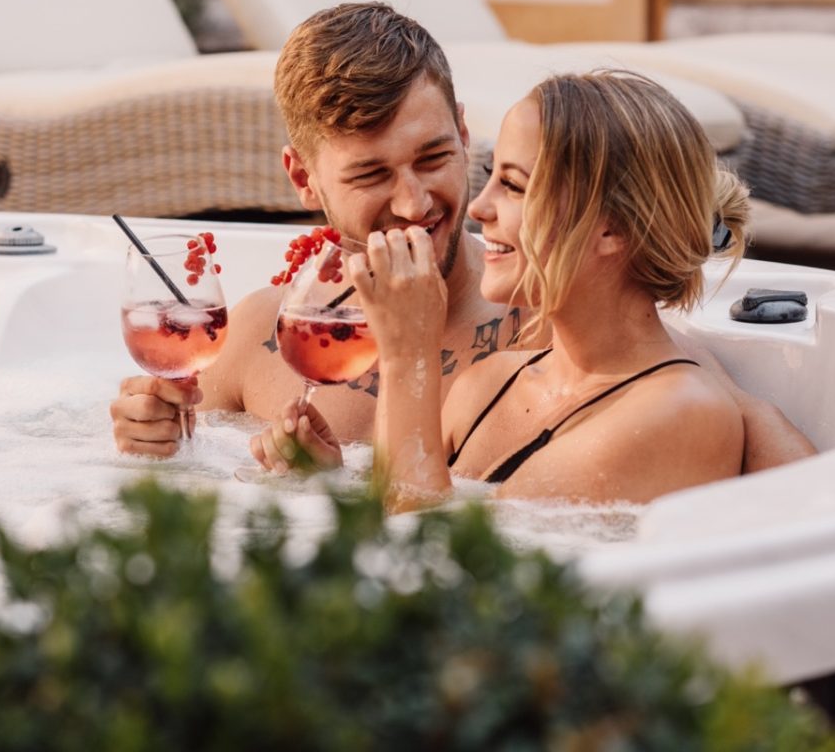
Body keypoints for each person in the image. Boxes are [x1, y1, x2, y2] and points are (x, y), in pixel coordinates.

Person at [109, 2, 813, 475]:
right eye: (373, 173)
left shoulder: (558, 322)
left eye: (434, 158)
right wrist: (161, 442)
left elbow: (774, 467)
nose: (417, 203)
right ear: (303, 179)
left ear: (464, 133)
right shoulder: (265, 335)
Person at [325, 70, 765, 510]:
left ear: (611, 227)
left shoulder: (682, 413)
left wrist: (408, 357)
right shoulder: (484, 385)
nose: (478, 207)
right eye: (488, 173)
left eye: (514, 186)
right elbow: (382, 517)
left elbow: (425, 561)